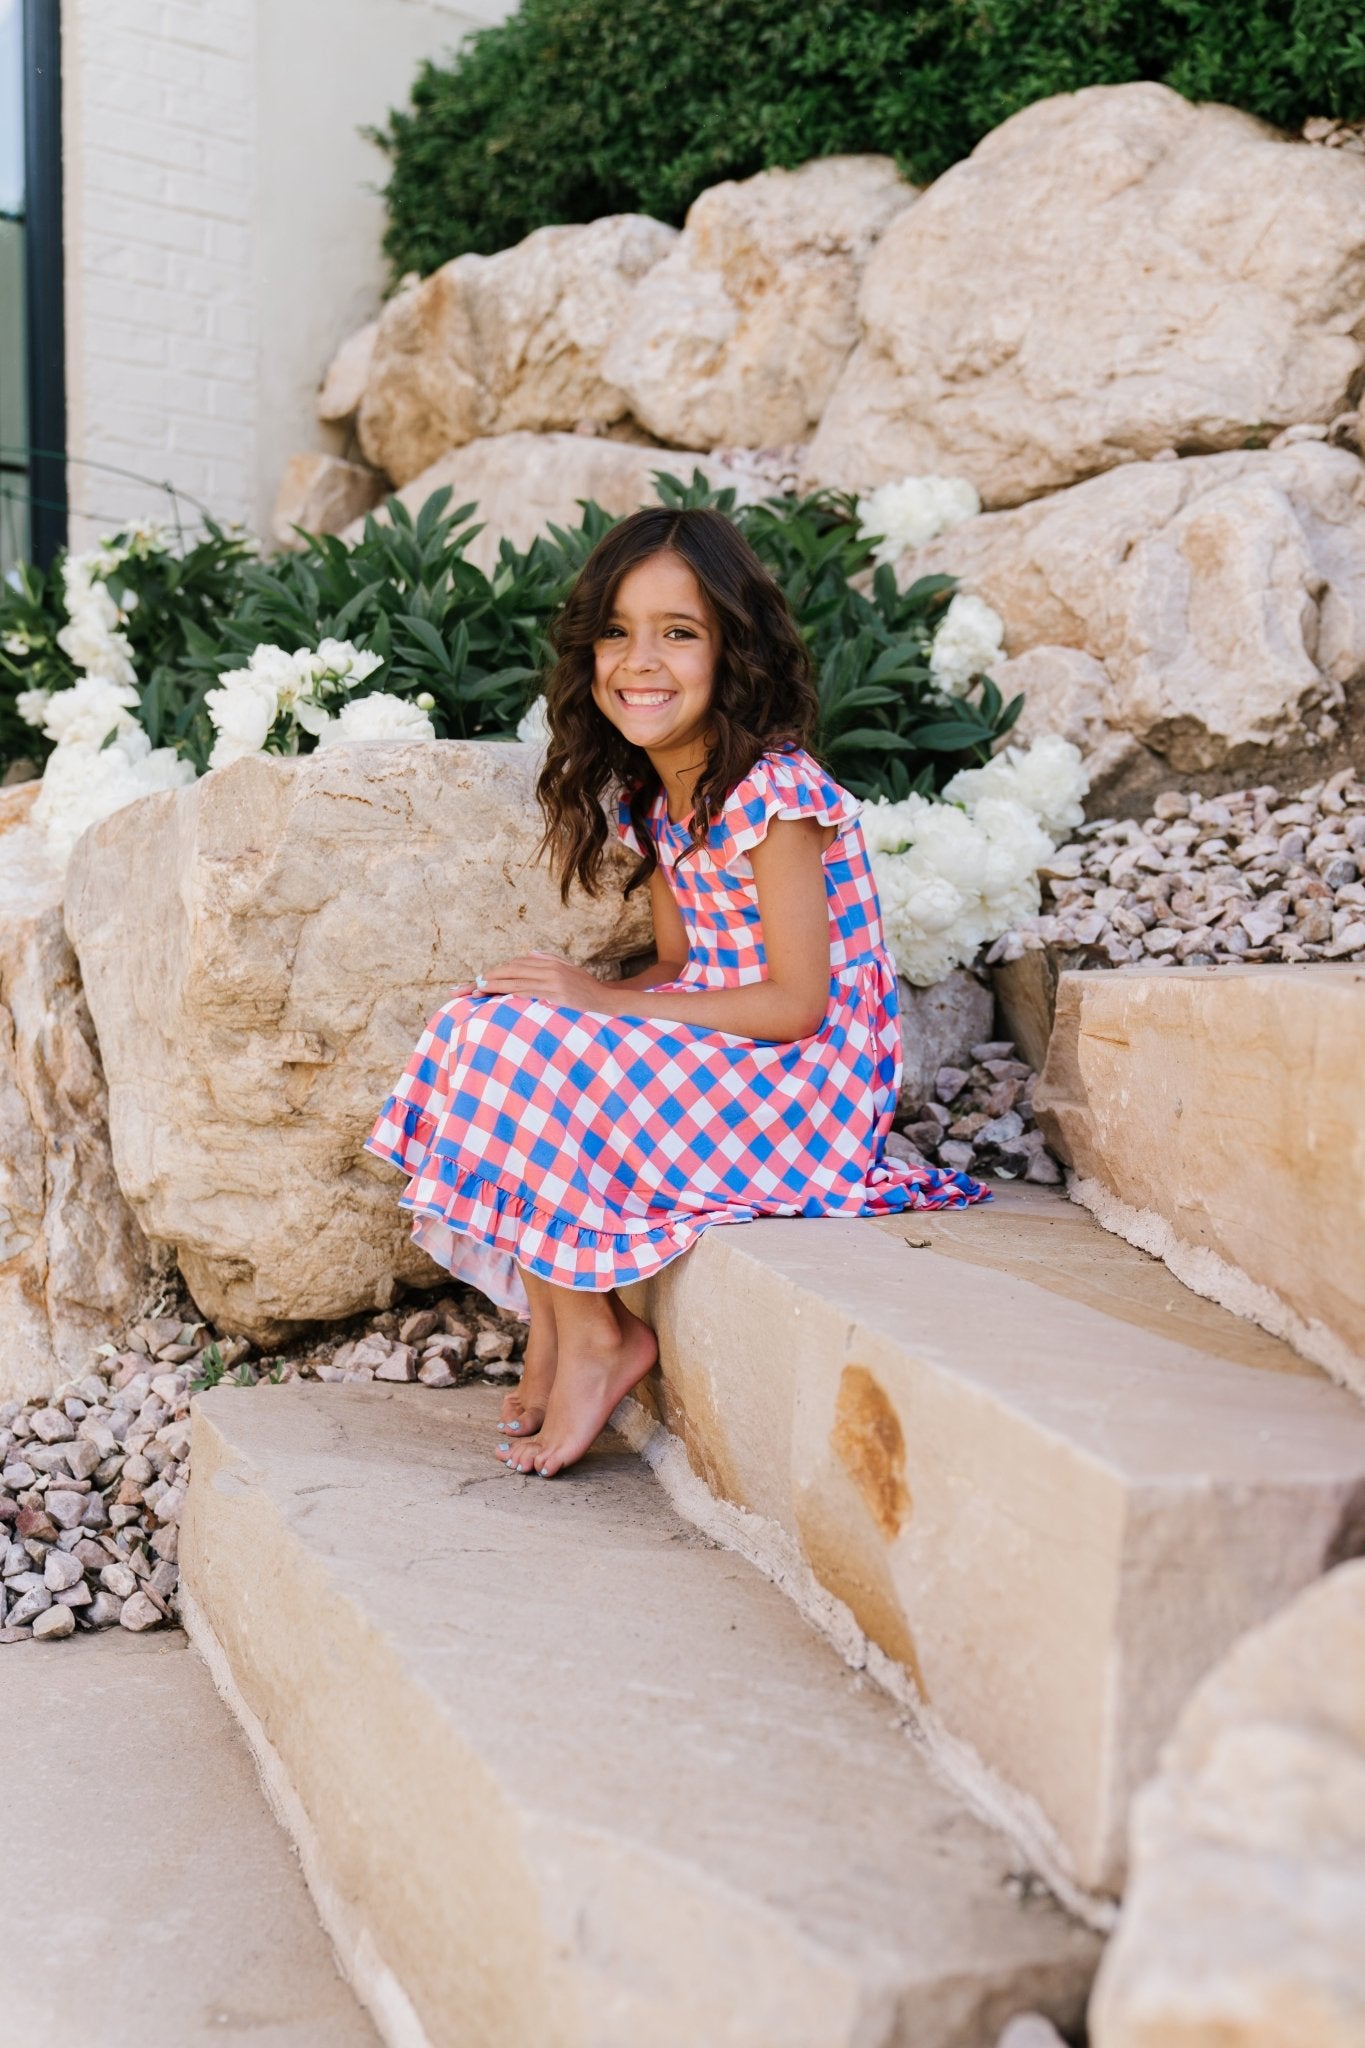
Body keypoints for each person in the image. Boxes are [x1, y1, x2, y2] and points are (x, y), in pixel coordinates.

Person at [365, 507, 988, 1477]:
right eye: (617, 630)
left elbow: (795, 1003)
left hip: (802, 1091)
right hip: (728, 1055)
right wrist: (573, 998)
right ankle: (565, 1324)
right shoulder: (662, 798)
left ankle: (597, 1334)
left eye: (678, 631)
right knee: (487, 1021)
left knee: (532, 1044)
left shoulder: (775, 793)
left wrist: (599, 1007)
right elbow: (676, 964)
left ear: (734, 649)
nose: (639, 658)